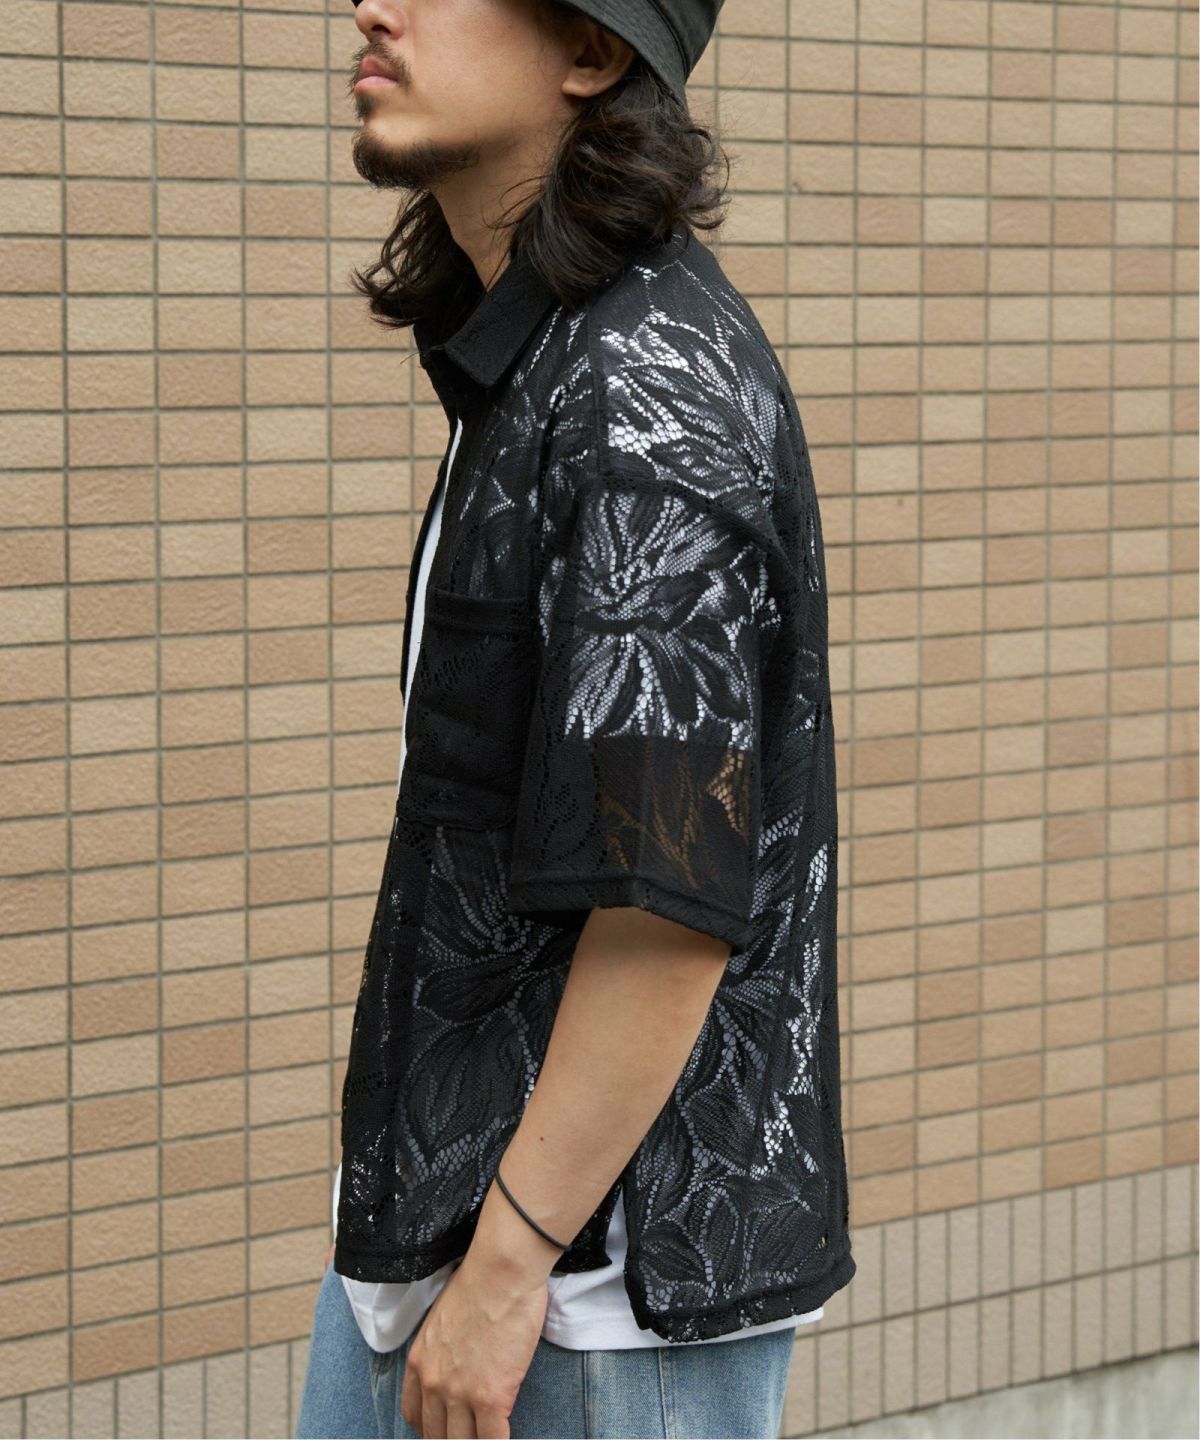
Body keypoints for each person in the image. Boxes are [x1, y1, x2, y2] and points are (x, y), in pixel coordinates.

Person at [296, 0, 855, 1430]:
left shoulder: (645, 397)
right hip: (449, 1238)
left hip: (579, 1298)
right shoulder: (550, 355)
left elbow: (665, 902)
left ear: (593, 52)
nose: (373, 7)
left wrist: (506, 1268)